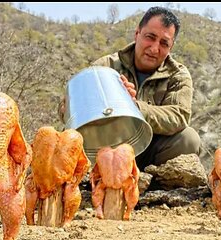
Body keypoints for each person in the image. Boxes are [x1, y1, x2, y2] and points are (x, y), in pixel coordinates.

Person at [60, 6, 200, 171]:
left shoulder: (178, 74)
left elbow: (179, 116)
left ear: (171, 47)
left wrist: (134, 107)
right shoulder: (106, 66)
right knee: (62, 139)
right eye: (150, 37)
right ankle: (87, 183)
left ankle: (152, 188)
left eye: (164, 43)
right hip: (106, 148)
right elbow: (67, 109)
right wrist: (113, 101)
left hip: (151, 154)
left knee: (188, 139)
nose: (155, 48)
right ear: (137, 33)